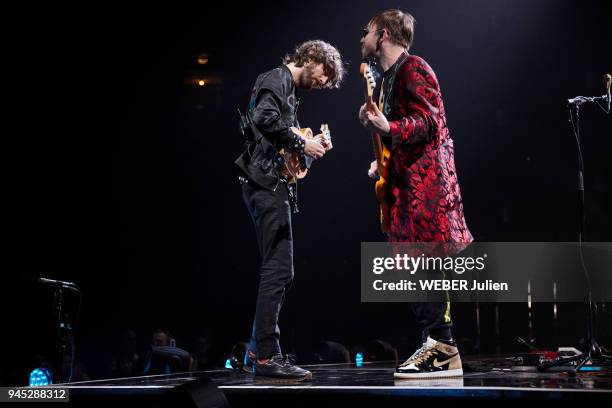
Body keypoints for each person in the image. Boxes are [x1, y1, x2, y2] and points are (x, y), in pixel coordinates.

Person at [358, 9, 473, 379]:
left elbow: (430, 121)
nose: (362, 37)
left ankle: (443, 346)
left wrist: (387, 125)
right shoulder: (389, 78)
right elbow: (403, 133)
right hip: (406, 188)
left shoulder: (414, 68)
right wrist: (383, 160)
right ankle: (435, 343)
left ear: (385, 34)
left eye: (368, 31)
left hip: (427, 191)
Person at [235, 40, 345, 381]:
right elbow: (263, 118)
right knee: (279, 270)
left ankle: (258, 350)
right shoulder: (278, 78)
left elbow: (285, 153)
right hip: (263, 185)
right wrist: (302, 142)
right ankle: (266, 356)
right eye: (324, 75)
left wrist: (309, 151)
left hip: (270, 183)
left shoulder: (289, 92)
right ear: (311, 58)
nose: (323, 84)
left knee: (281, 270)